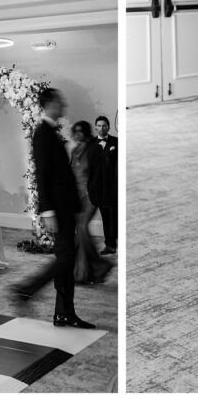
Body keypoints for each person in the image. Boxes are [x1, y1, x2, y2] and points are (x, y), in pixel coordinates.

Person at [14, 88, 95, 329]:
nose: (64, 107)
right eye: (60, 103)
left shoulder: (51, 132)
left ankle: (64, 313)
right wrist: (47, 211)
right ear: (50, 104)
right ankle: (27, 288)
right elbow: (42, 174)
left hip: (66, 208)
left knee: (67, 261)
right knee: (65, 258)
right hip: (57, 210)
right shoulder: (42, 133)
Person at [70, 120, 112, 284]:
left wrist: (102, 196)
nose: (77, 134)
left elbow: (102, 174)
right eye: (75, 131)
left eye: (81, 131)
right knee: (80, 232)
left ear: (86, 132)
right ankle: (92, 270)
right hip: (76, 197)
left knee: (81, 228)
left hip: (90, 196)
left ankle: (87, 271)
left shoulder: (94, 149)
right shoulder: (75, 151)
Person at [93, 115, 118, 255]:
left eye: (104, 125)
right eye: (99, 125)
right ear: (95, 127)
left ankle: (114, 242)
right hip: (99, 188)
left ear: (108, 127)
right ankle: (109, 245)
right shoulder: (91, 144)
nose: (101, 128)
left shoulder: (116, 142)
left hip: (113, 186)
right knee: (106, 217)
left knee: (114, 216)